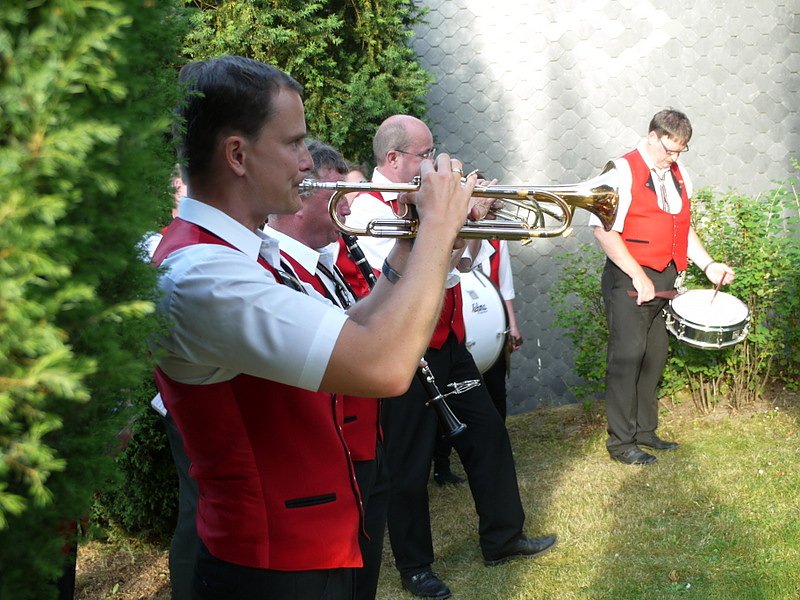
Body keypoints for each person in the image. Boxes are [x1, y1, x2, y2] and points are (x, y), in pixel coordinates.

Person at [151, 55, 478, 600]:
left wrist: (409, 239)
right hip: (269, 570)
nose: (308, 161)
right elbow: (384, 365)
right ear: (237, 154)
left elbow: (351, 327)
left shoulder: (244, 251)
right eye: (294, 143)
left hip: (315, 550)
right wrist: (440, 230)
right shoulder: (201, 273)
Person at [346, 114, 557, 600]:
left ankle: (503, 539)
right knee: (408, 462)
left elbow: (460, 265)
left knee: (488, 435)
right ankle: (415, 567)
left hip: (446, 341)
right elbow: (407, 280)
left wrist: (472, 221)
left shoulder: (424, 200)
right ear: (394, 158)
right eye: (425, 153)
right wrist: (450, 220)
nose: (434, 160)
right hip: (401, 349)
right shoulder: (362, 208)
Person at [266, 138, 389, 600]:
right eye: (336, 197)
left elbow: (363, 320)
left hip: (362, 444)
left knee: (364, 576)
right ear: (300, 199)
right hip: (328, 460)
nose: (347, 209)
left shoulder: (323, 261)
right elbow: (363, 351)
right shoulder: (275, 270)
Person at [589, 108, 735, 466]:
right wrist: (638, 275)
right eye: (670, 149)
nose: (674, 157)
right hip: (629, 280)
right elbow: (602, 230)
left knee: (653, 358)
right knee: (626, 360)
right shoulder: (620, 171)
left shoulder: (679, 173)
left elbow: (681, 229)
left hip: (667, 280)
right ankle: (621, 443)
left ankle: (644, 432)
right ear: (653, 136)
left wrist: (708, 264)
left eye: (680, 151)